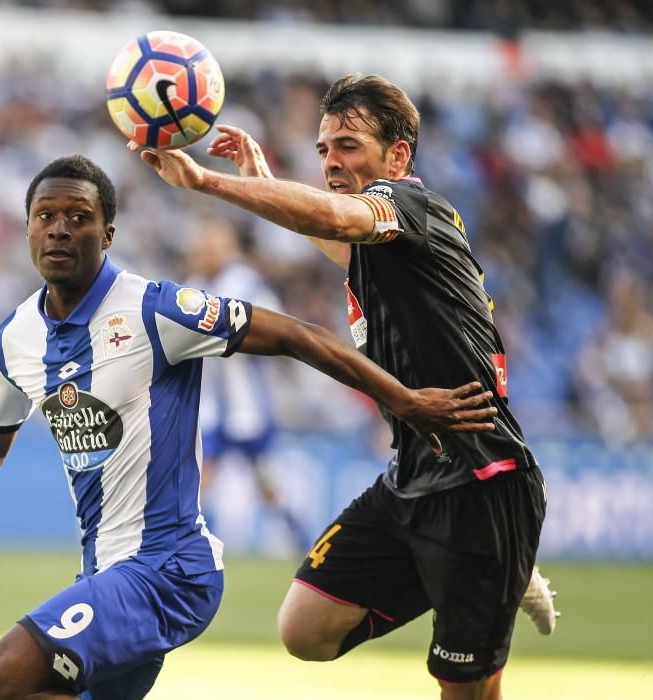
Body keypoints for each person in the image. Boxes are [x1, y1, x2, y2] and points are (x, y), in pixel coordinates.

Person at [0, 155, 499, 700]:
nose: (59, 230)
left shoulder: (157, 310)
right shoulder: (15, 341)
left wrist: (406, 400)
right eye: (45, 216)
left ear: (107, 234)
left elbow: (298, 336)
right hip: (104, 576)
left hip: (168, 570)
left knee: (4, 676)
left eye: (79, 218)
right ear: (26, 230)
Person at [132, 74, 558, 699]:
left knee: (465, 689)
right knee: (305, 627)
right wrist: (265, 180)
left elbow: (338, 217)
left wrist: (208, 182)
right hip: (412, 474)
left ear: (399, 156)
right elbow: (337, 236)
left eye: (349, 146)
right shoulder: (385, 243)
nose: (332, 161)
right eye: (324, 149)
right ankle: (496, 579)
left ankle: (493, 575)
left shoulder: (412, 205)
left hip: (481, 483)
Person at [185, 216, 311, 552]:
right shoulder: (191, 288)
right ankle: (192, 546)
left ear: (229, 249)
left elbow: (280, 330)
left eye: (213, 245)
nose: (206, 251)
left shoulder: (247, 285)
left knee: (267, 484)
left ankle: (301, 539)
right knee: (198, 480)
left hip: (248, 406)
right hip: (209, 406)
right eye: (203, 245)